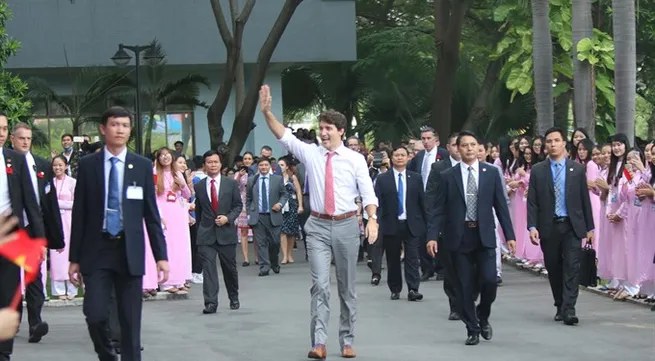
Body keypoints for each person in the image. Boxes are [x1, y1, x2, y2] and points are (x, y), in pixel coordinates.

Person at [259, 85, 378, 359]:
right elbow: (284, 135)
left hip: (347, 225)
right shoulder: (311, 153)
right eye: (321, 127)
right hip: (317, 227)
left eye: (328, 128)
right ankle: (319, 342)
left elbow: (368, 193)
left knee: (346, 286)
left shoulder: (356, 159)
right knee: (320, 285)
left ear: (340, 132)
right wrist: (266, 112)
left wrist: (372, 218)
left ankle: (347, 340)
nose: (323, 132)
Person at [68, 106, 169, 361]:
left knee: (130, 321)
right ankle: (107, 355)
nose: (120, 129)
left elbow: (151, 215)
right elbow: (79, 213)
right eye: (114, 124)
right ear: (104, 129)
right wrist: (74, 258)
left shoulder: (142, 166)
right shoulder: (89, 165)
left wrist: (162, 256)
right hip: (97, 250)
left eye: (124, 125)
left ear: (130, 130)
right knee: (95, 314)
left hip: (129, 251)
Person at [426, 131, 515, 346]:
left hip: (484, 235)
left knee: (489, 281)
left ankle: (482, 315)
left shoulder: (491, 173)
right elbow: (438, 209)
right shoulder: (448, 175)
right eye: (463, 145)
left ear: (478, 148)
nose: (468, 148)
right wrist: (432, 236)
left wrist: (510, 236)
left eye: (472, 145)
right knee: (464, 286)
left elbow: (501, 207)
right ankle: (472, 328)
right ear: (457, 148)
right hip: (459, 236)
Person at [527, 127, 594, 326]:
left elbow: (584, 200)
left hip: (572, 226)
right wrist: (532, 226)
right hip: (549, 226)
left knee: (572, 267)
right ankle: (559, 303)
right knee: (554, 267)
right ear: (545, 146)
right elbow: (532, 201)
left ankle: (570, 309)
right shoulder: (538, 170)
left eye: (557, 140)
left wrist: (590, 228)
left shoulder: (577, 169)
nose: (553, 144)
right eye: (549, 141)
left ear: (564, 143)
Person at [10, 122, 65, 343]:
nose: (25, 142)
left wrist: (56, 236)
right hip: (11, 229)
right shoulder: (7, 163)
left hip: (34, 228)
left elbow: (50, 204)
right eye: (21, 138)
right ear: (12, 139)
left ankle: (36, 323)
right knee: (11, 278)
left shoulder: (42, 166)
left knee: (34, 276)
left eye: (28, 138)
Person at [0, 113, 45, 361]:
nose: (2, 132)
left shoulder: (15, 160)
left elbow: (31, 203)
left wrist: (39, 240)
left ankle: (3, 352)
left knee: (7, 295)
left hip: (9, 236)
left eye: (5, 128)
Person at [194, 150, 243, 314]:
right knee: (208, 269)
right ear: (205, 165)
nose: (212, 165)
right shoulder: (199, 186)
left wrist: (228, 218)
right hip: (206, 234)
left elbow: (238, 205)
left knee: (229, 269)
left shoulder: (231, 184)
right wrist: (201, 230)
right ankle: (210, 302)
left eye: (215, 162)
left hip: (226, 232)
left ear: (220, 164)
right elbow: (200, 211)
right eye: (209, 162)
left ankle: (233, 296)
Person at [374, 145, 425, 301]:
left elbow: (421, 202)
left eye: (403, 155)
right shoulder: (383, 179)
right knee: (393, 258)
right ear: (391, 158)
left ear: (408, 157)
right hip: (391, 223)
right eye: (397, 155)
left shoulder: (416, 177)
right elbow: (378, 202)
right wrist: (378, 223)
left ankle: (413, 289)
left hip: (412, 223)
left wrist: (425, 223)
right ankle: (395, 288)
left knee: (412, 258)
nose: (400, 158)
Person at [246, 157, 288, 276]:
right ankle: (264, 267)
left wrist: (280, 204)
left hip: (273, 215)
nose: (263, 167)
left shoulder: (277, 179)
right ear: (258, 167)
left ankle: (274, 262)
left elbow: (284, 194)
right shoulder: (252, 180)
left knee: (275, 242)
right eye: (261, 165)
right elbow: (248, 198)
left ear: (270, 166)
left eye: (265, 165)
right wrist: (250, 212)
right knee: (261, 243)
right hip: (258, 216)